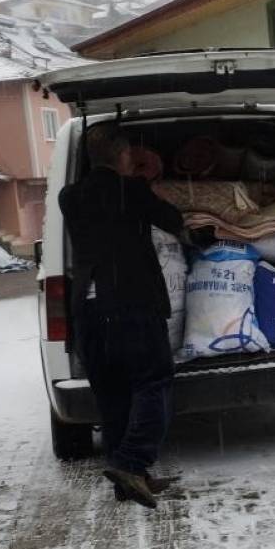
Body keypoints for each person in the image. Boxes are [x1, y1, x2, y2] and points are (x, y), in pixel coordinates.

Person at [58, 125, 185, 509]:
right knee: (154, 383)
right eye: (129, 153)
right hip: (131, 306)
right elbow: (173, 219)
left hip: (89, 312)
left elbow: (98, 207)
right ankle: (132, 463)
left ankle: (129, 482)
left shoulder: (69, 197)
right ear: (121, 156)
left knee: (112, 396)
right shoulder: (131, 191)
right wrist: (141, 185)